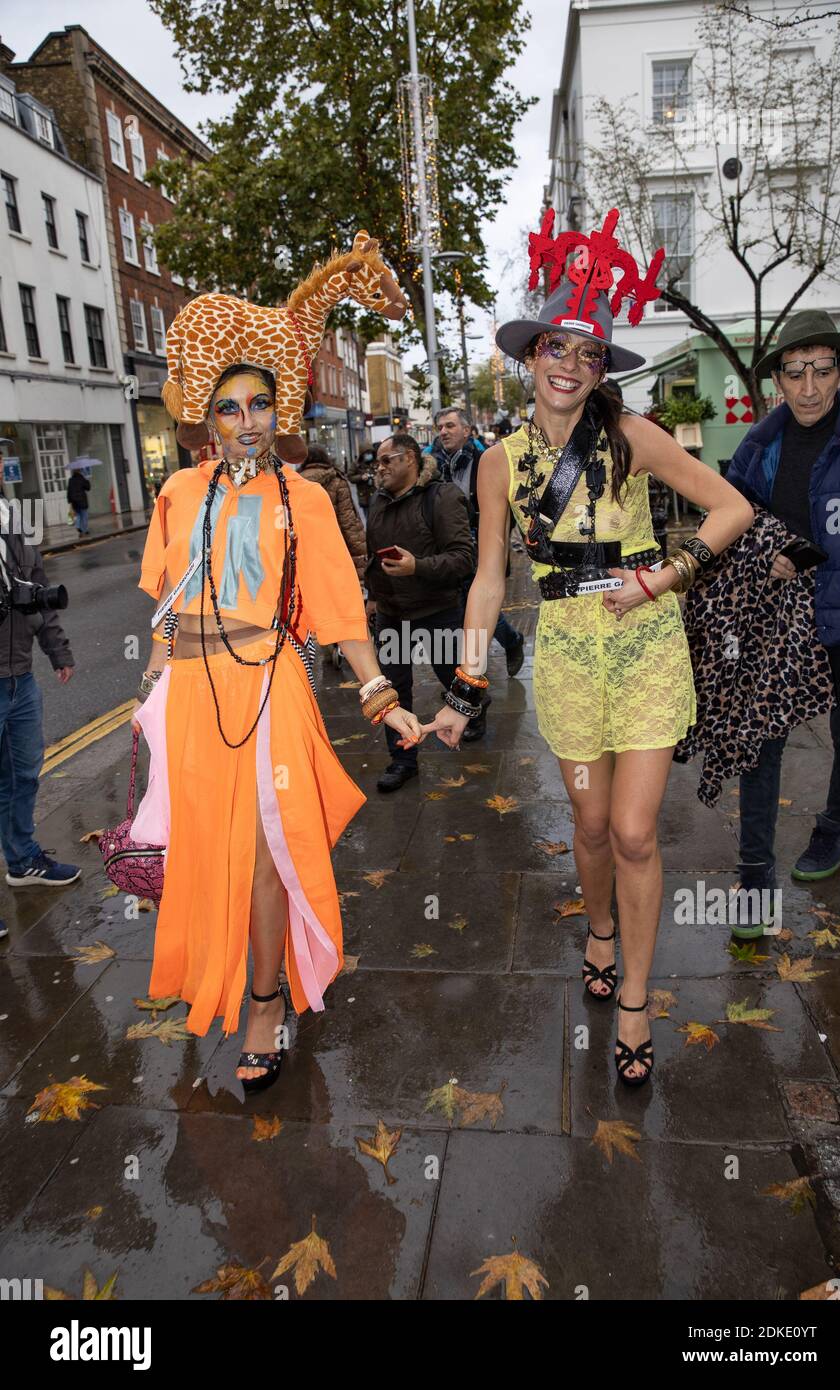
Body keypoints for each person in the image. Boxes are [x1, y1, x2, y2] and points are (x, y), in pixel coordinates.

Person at [422, 215, 753, 1086]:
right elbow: (488, 581)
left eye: (588, 354)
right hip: (566, 653)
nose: (570, 365)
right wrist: (464, 686)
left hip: (644, 643)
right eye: (555, 349)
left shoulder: (632, 437)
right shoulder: (496, 461)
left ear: (603, 369)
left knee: (637, 832)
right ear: (529, 359)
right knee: (593, 824)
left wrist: (664, 578)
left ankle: (637, 999)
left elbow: (731, 512)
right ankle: (599, 927)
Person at [130, 239, 425, 1094]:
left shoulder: (302, 498)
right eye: (230, 408)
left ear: (278, 408)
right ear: (207, 418)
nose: (248, 420)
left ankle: (265, 1003)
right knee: (207, 854)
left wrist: (380, 697)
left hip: (269, 693)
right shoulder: (180, 494)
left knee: (265, 854)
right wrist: (150, 689)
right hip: (192, 698)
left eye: (261, 403)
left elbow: (337, 611)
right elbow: (163, 602)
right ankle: (232, 979)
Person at [721, 309, 840, 896]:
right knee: (762, 740)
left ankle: (834, 830)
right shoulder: (758, 447)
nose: (808, 387)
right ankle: (755, 872)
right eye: (794, 372)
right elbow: (728, 522)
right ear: (777, 380)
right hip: (777, 616)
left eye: (821, 371)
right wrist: (766, 552)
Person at [365, 432, 476, 791]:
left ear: (410, 459)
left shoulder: (441, 497)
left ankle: (475, 708)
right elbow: (373, 557)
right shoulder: (379, 501)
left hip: (436, 611)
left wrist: (419, 567)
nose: (379, 468)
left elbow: (463, 558)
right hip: (391, 613)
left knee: (451, 676)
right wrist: (372, 597)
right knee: (393, 689)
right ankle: (402, 760)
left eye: (387, 460)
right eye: (377, 461)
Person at [0, 489, 79, 893]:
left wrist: (58, 651)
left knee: (23, 776)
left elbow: (39, 594)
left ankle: (22, 860)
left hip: (20, 678)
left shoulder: (14, 525)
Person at [424, 408, 525, 687]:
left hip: (478, 544)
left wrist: (495, 544)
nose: (443, 431)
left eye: (450, 426)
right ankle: (467, 673)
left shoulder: (484, 461)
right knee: (458, 607)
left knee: (473, 602)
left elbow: (508, 508)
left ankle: (500, 648)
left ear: (467, 430)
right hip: (443, 546)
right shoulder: (431, 465)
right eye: (440, 427)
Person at [297, 444, 368, 668]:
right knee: (338, 599)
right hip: (335, 550)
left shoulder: (295, 484)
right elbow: (348, 522)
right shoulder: (337, 482)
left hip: (306, 553)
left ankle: (326, 647)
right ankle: (342, 644)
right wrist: (360, 555)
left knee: (314, 600)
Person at [66, 467, 90, 537]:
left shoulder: (71, 480)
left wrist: (69, 501)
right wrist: (87, 480)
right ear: (80, 471)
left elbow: (69, 491)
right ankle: (85, 530)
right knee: (84, 516)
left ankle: (78, 526)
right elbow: (88, 488)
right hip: (82, 500)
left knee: (78, 515)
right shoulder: (82, 479)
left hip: (75, 502)